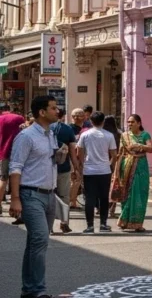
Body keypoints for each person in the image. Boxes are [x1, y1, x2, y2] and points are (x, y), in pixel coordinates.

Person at [8, 95, 65, 298]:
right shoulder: (26, 136)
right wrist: (15, 198)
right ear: (42, 112)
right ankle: (37, 290)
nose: (57, 111)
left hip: (49, 194)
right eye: (53, 108)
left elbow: (45, 160)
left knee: (36, 242)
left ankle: (29, 290)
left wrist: (59, 156)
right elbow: (15, 168)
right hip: (31, 194)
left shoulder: (50, 134)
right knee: (40, 239)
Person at [77, 112, 117, 234]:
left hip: (89, 170)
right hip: (104, 170)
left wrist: (83, 165)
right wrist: (109, 164)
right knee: (104, 198)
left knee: (89, 198)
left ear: (91, 121)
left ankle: (89, 226)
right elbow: (114, 154)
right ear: (103, 121)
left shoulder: (85, 135)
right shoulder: (109, 135)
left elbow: (80, 152)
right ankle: (103, 224)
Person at [112, 114, 152, 232]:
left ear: (139, 123)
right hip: (126, 165)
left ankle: (137, 223)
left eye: (132, 122)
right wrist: (117, 170)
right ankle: (124, 221)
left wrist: (139, 145)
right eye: (128, 122)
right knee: (126, 192)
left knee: (140, 193)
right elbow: (120, 152)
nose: (129, 124)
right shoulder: (124, 136)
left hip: (141, 166)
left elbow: (151, 148)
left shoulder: (145, 135)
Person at [50, 109, 78, 235]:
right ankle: (64, 223)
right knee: (64, 196)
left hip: (47, 168)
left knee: (49, 196)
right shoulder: (68, 129)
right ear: (63, 116)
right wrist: (76, 167)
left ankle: (49, 225)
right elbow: (72, 151)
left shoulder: (46, 128)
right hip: (64, 167)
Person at [1, 102, 26, 216]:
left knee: (3, 179)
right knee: (19, 180)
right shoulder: (19, 118)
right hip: (19, 152)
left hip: (3, 153)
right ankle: (18, 207)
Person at [101, 116, 122, 219]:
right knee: (114, 187)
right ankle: (111, 210)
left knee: (103, 187)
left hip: (103, 162)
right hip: (116, 162)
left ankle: (100, 208)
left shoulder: (103, 134)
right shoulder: (119, 134)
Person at [68, 109, 86, 210]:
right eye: (74, 115)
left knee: (77, 181)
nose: (76, 117)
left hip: (81, 158)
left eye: (79, 115)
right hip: (72, 158)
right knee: (75, 179)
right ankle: (71, 201)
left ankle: (73, 201)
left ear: (84, 116)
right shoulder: (70, 128)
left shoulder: (84, 129)